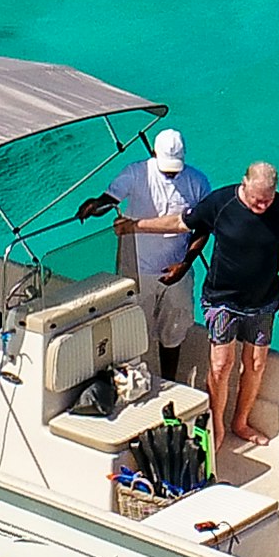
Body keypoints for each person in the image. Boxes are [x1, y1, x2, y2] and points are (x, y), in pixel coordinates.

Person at [185, 159, 279, 449]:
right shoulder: (222, 202)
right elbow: (185, 223)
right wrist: (138, 226)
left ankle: (241, 422)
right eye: (256, 199)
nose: (262, 206)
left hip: (263, 301)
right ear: (244, 183)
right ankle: (217, 425)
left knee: (256, 363)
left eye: (267, 200)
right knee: (221, 364)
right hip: (222, 298)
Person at [105, 127, 208, 388]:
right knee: (130, 334)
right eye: (166, 167)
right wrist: (97, 204)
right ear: (153, 153)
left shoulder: (198, 181)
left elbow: (204, 228)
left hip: (177, 273)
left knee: (173, 333)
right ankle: (130, 385)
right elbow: (111, 197)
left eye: (176, 167)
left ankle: (168, 384)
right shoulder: (135, 172)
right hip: (136, 271)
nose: (172, 172)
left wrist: (185, 264)